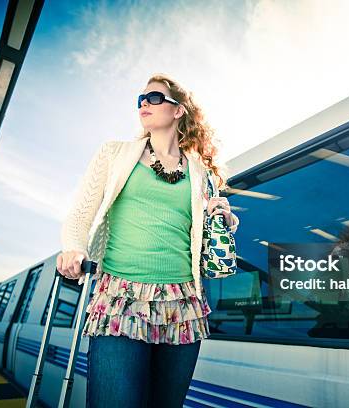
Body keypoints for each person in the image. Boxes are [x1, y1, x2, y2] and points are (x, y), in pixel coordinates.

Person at [57, 73, 240, 407]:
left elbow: (206, 230)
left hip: (183, 304)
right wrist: (74, 248)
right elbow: (81, 213)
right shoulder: (114, 153)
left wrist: (223, 214)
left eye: (154, 98)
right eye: (140, 99)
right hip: (120, 297)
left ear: (178, 110)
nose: (144, 104)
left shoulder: (201, 172)